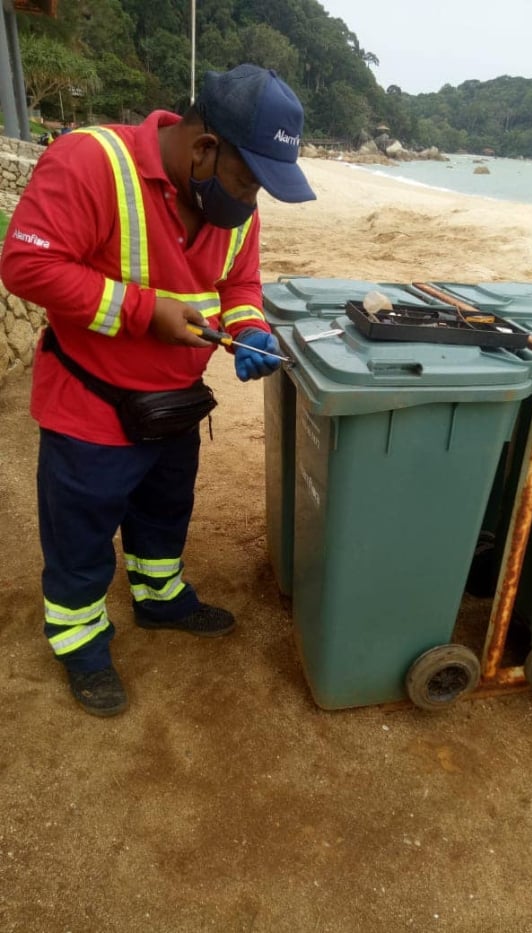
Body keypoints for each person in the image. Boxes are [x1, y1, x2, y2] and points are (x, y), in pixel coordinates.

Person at [0, 64, 316, 717]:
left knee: (164, 513)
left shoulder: (229, 206)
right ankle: (81, 642)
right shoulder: (92, 163)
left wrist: (250, 327)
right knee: (81, 535)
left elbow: (240, 285)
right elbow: (26, 264)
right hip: (91, 404)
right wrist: (147, 312)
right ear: (204, 148)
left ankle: (159, 597)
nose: (250, 202)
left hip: (174, 405)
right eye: (248, 180)